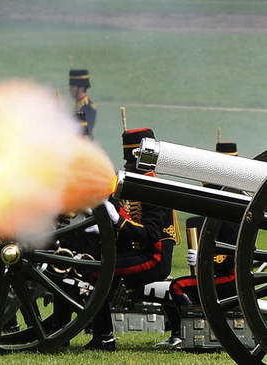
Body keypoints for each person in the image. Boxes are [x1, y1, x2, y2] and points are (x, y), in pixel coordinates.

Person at [85, 127, 177, 351]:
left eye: (130, 162)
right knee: (90, 265)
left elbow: (150, 235)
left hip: (153, 257)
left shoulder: (156, 189)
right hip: (134, 253)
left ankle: (104, 336)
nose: (126, 167)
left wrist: (118, 220)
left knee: (97, 272)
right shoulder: (130, 185)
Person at [156, 141, 240, 349]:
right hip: (215, 274)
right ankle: (178, 332)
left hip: (230, 278)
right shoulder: (203, 219)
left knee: (178, 286)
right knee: (172, 286)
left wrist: (203, 258)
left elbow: (230, 255)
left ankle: (191, 331)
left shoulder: (231, 218)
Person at [69, 69, 96, 138]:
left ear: (81, 88)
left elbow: (84, 134)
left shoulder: (88, 107)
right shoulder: (79, 105)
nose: (70, 89)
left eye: (72, 86)